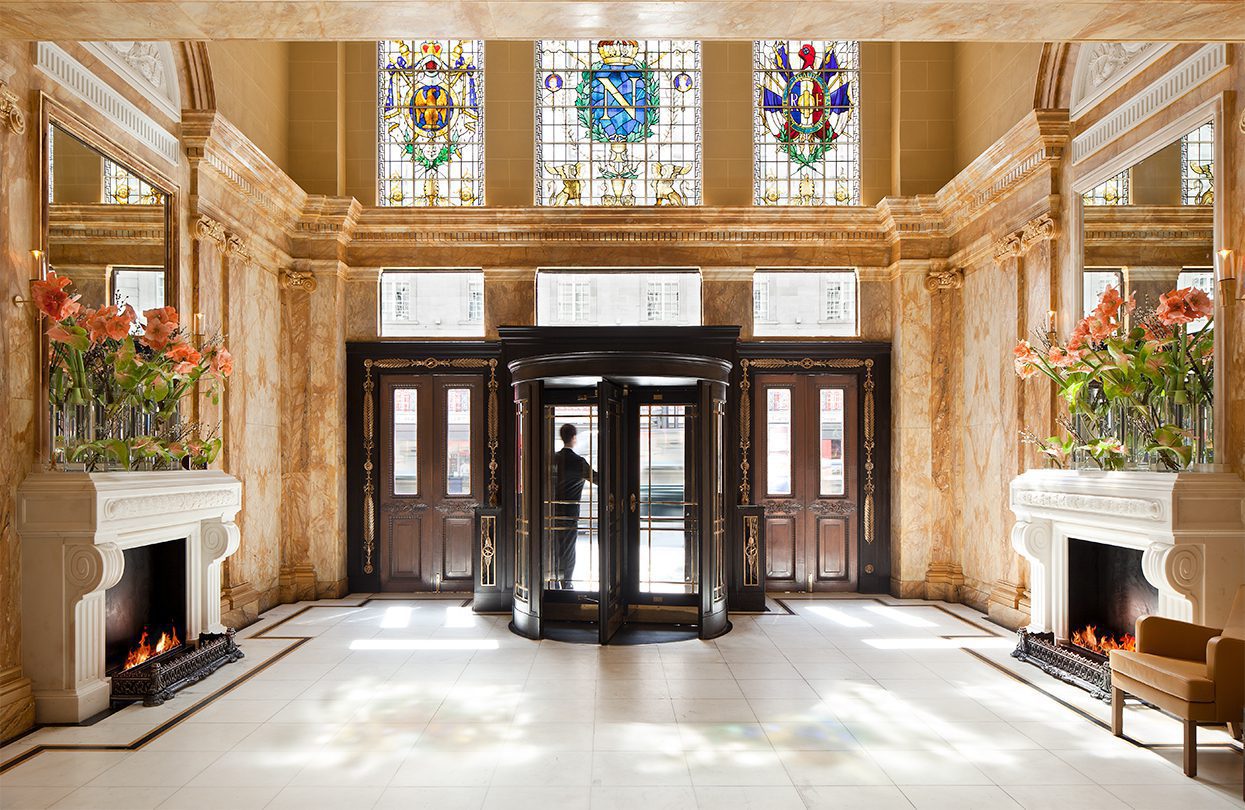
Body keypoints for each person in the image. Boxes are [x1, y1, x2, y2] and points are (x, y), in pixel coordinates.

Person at [551, 423, 595, 589]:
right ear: (574, 438)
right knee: (568, 549)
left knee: (553, 547)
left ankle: (553, 582)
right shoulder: (579, 462)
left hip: (552, 511)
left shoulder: (553, 459)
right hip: (570, 513)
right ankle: (566, 583)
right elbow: (597, 479)